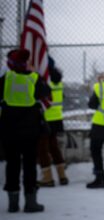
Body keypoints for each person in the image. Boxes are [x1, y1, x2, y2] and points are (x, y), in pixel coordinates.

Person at [1, 49, 50, 212]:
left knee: (12, 164)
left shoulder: (6, 78)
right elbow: (46, 93)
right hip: (31, 130)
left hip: (9, 129)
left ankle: (13, 203)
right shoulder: (34, 78)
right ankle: (30, 202)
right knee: (29, 165)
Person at [37, 58, 68, 187]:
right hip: (57, 118)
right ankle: (62, 176)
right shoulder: (58, 81)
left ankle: (47, 178)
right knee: (54, 147)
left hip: (45, 119)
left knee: (42, 149)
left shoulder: (44, 81)